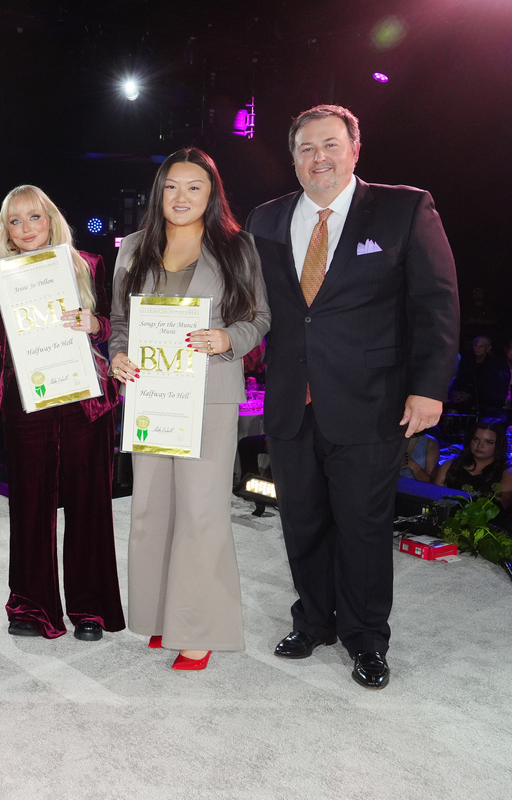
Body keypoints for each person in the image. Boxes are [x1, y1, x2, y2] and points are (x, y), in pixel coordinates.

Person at [246, 104, 459, 689]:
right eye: (307, 149)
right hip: (292, 399)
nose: (319, 158)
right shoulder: (265, 219)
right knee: (302, 521)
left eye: (330, 145)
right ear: (292, 159)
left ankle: (367, 637)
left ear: (354, 149)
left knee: (364, 526)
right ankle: (313, 621)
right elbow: (247, 299)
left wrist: (429, 389)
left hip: (372, 399)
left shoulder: (403, 208)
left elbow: (437, 304)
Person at [110, 148, 270, 670]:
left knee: (201, 513)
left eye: (193, 187)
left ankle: (197, 630)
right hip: (152, 396)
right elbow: (118, 321)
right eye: (172, 186)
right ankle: (160, 618)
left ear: (211, 193)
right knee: (152, 510)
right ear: (159, 191)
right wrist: (116, 355)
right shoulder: (134, 247)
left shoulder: (237, 246)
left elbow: (259, 318)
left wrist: (226, 337)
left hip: (210, 395)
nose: (181, 197)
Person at [0, 185, 124, 641]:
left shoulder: (88, 264)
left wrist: (95, 324)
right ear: (5, 230)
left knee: (88, 506)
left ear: (51, 219)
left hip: (85, 401)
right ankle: (31, 605)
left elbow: (114, 325)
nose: (26, 228)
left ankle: (90, 608)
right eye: (15, 220)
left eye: (35, 217)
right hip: (27, 403)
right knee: (30, 507)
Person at [435, 418, 512, 506]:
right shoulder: (451, 464)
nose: (480, 445)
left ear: (499, 444)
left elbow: (498, 510)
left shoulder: (507, 473)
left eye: (489, 442)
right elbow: (433, 498)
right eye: (475, 439)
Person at [448, 336, 510, 418]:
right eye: (475, 345)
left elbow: (488, 388)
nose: (478, 348)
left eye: (481, 346)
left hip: (482, 402)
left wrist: (470, 395)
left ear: (488, 348)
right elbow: (459, 379)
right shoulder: (467, 362)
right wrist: (454, 392)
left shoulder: (493, 366)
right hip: (462, 397)